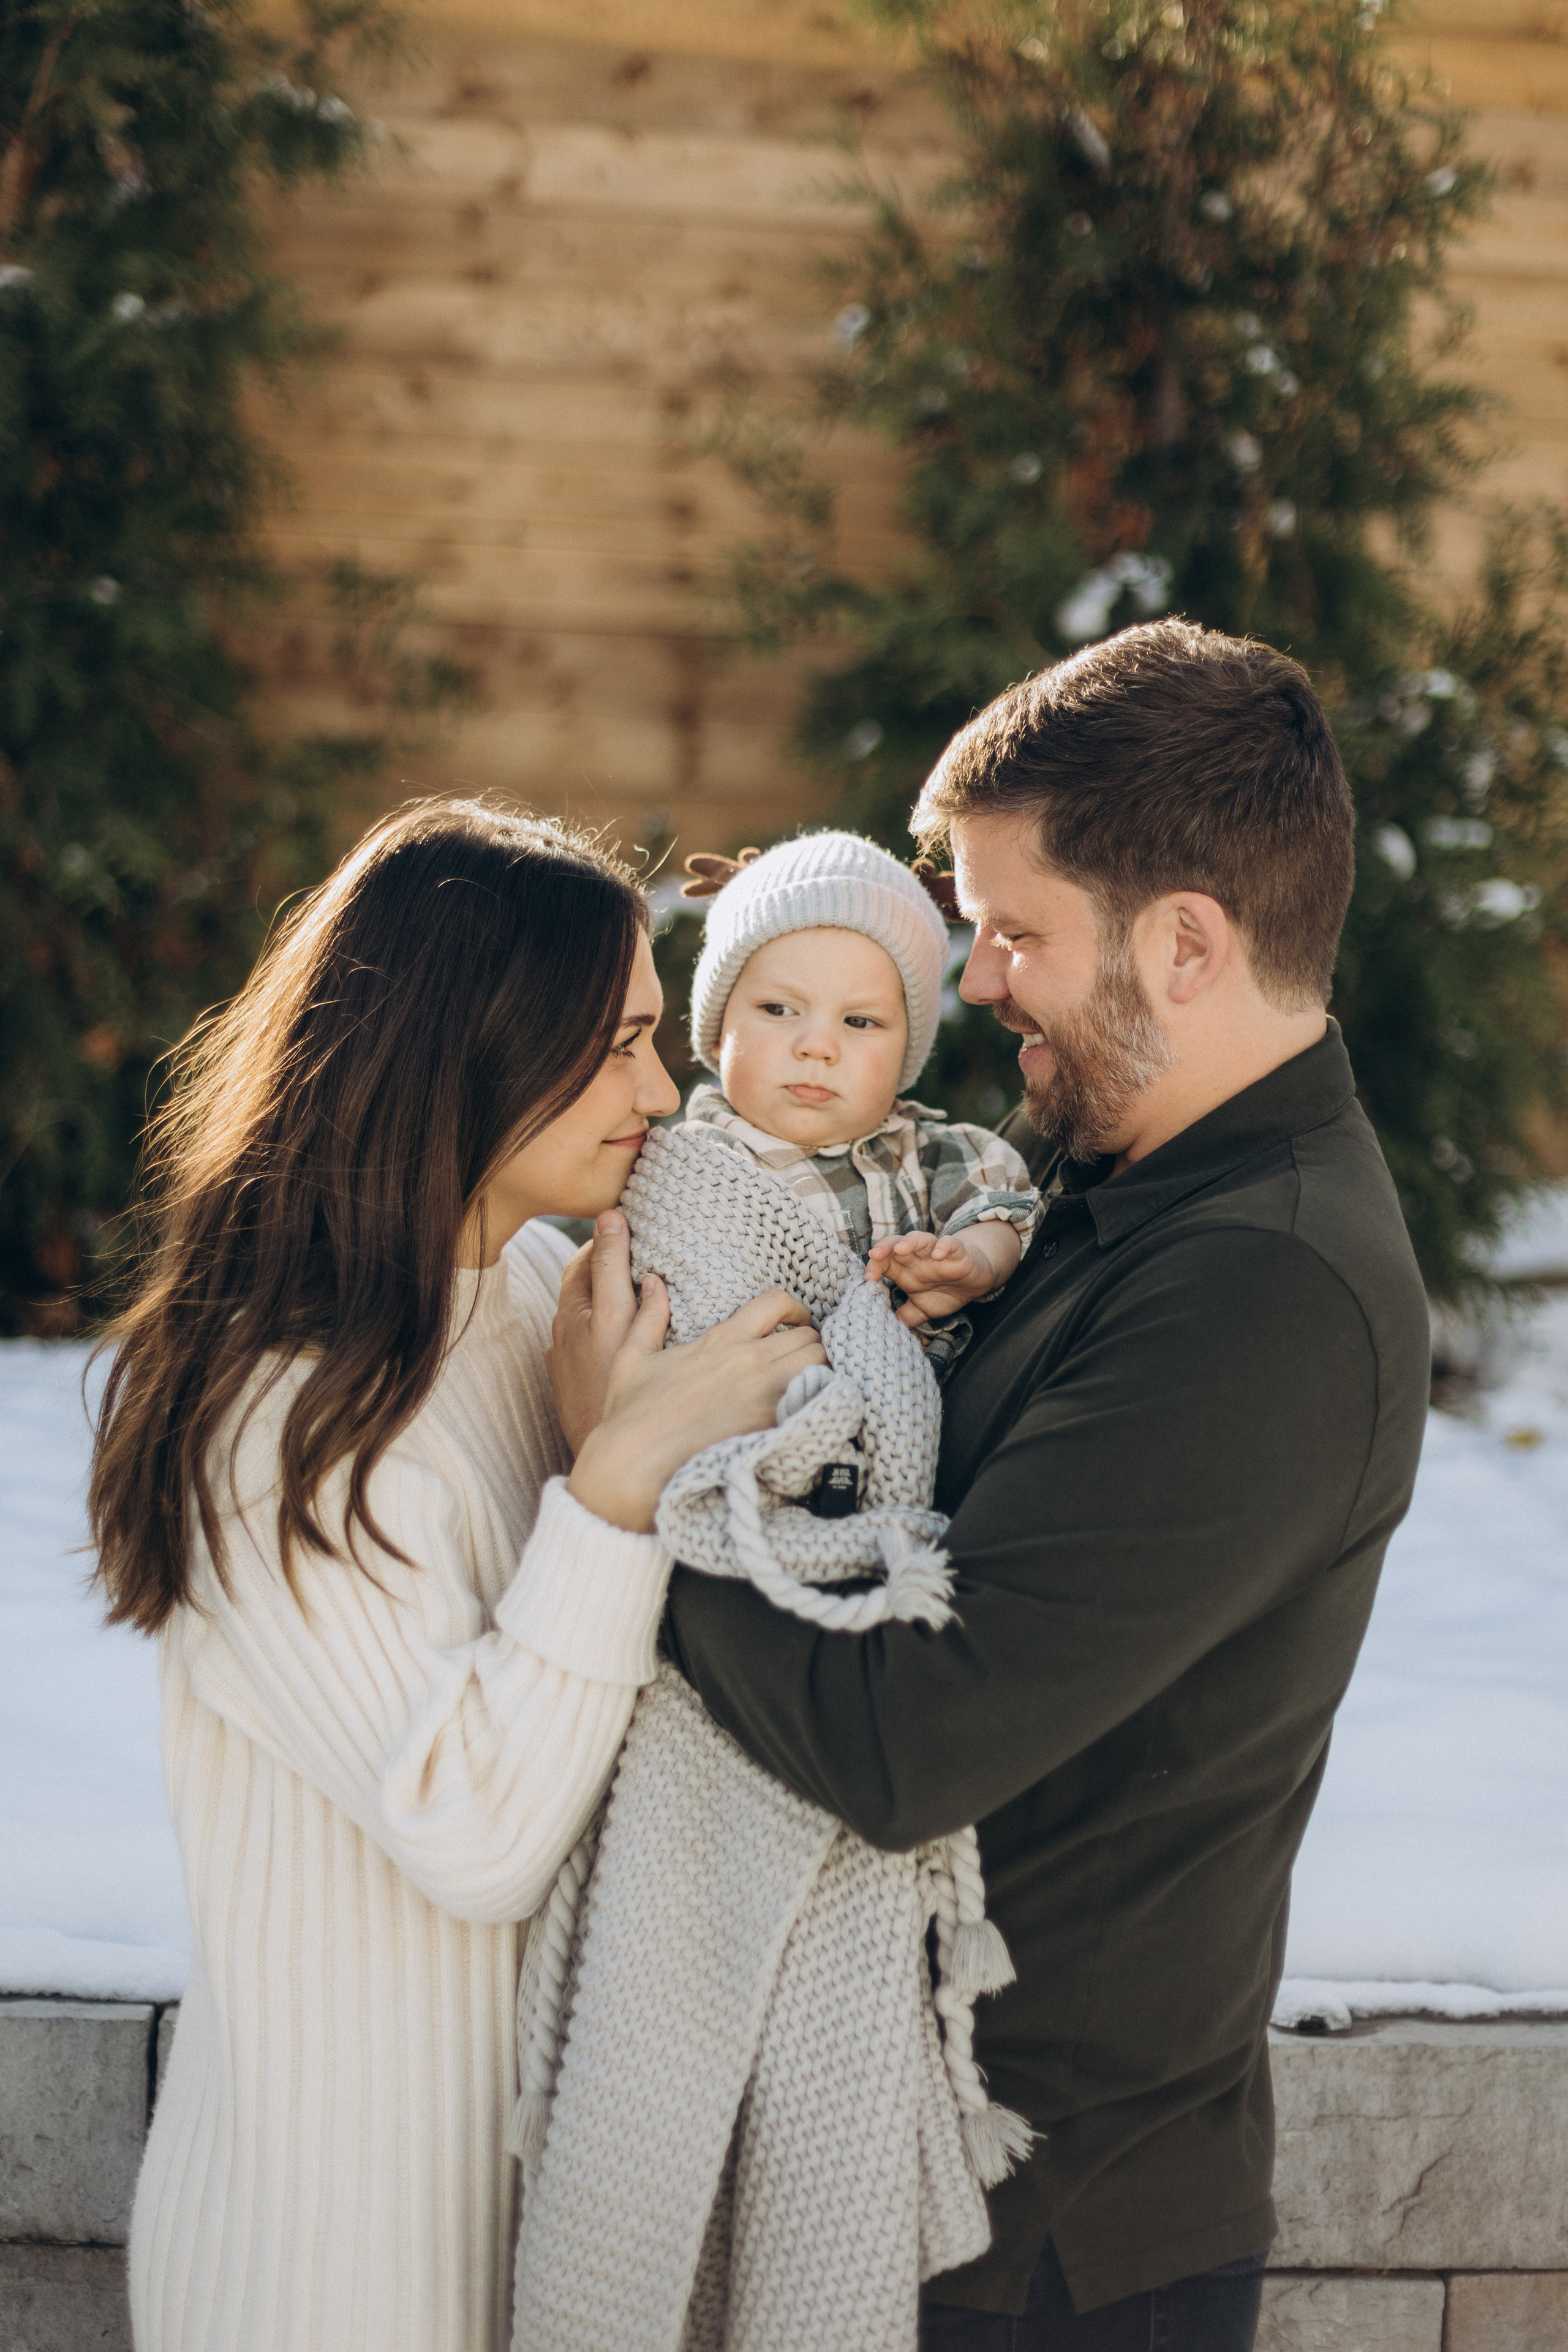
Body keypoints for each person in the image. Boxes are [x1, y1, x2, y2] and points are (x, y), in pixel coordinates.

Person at [554, 621, 1432, 2351]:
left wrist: (640, 1482)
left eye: (1017, 933)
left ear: (1186, 946)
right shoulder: (1092, 1174)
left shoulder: (1268, 1289)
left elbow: (913, 1739)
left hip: (1047, 2236)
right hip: (913, 2173)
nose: (981, 980)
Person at [88, 799, 825, 2352]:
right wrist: (611, 1480)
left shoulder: (547, 1295)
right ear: (469, 1046)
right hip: (325, 2272)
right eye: (616, 1040)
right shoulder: (274, 1414)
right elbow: (475, 1829)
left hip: (543, 2241)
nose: (661, 1085)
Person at [675, 827, 1040, 1373]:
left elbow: (1003, 1211)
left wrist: (975, 1259)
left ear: (905, 1059)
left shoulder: (932, 1157)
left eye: (860, 1021)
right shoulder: (684, 1165)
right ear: (716, 1032)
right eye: (778, 1010)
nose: (818, 1046)